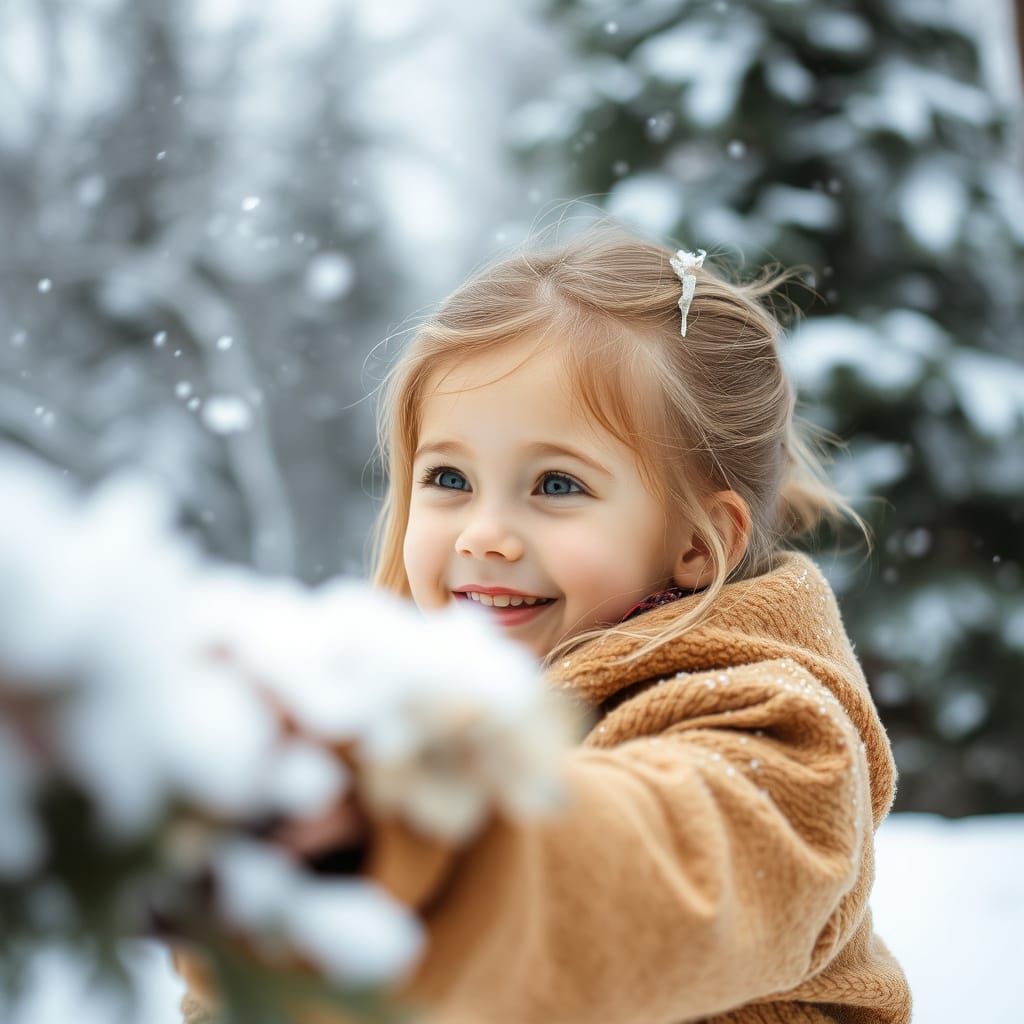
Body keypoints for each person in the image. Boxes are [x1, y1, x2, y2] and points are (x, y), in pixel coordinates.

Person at [173, 223, 912, 1023]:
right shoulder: (407, 709)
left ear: (697, 545)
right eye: (449, 476)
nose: (483, 532)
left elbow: (642, 873)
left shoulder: (777, 730)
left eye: (557, 485)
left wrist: (388, 841)